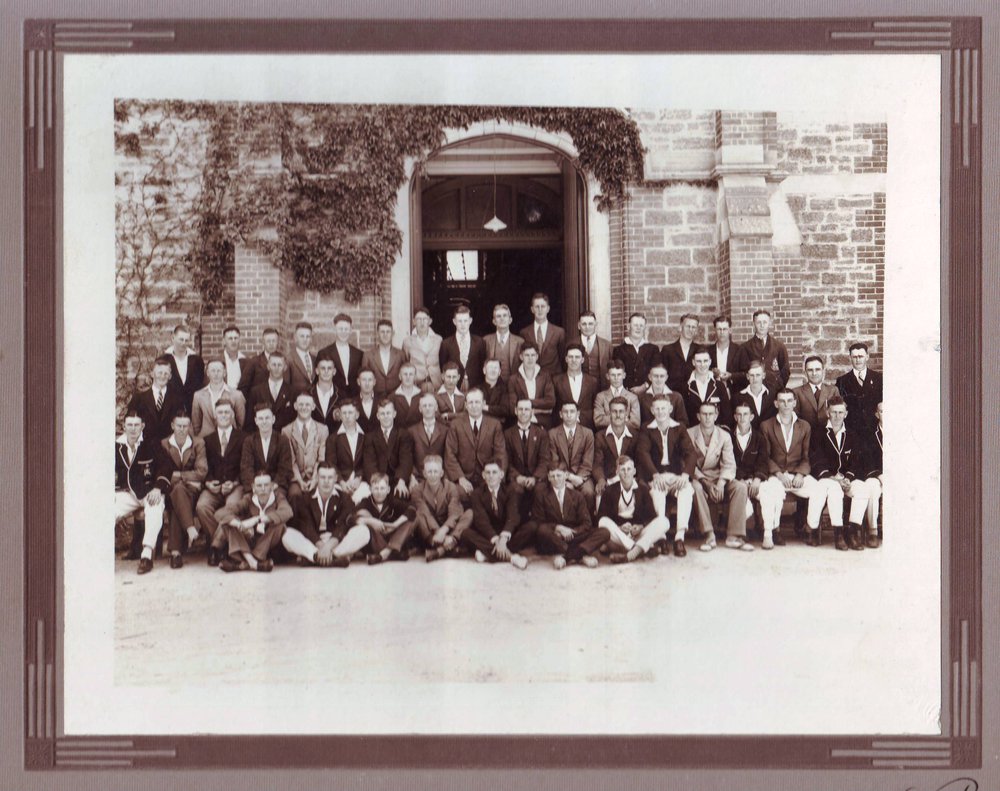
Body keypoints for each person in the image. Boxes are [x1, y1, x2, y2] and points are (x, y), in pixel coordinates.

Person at [759, 389, 823, 549]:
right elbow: (765, 457)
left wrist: (801, 474)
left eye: (789, 401)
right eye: (782, 401)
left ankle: (810, 528)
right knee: (770, 491)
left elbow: (807, 456)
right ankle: (773, 531)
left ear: (795, 403)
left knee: (819, 490)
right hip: (777, 474)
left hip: (797, 473)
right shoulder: (766, 426)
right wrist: (779, 475)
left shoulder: (804, 426)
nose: (786, 404)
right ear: (776, 403)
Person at [635, 393, 696, 556]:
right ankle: (660, 536)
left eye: (664, 408)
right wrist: (655, 475)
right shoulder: (647, 428)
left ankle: (679, 537)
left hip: (676, 475)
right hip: (656, 475)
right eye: (657, 409)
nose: (661, 412)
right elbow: (643, 453)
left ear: (670, 409)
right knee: (657, 492)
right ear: (652, 410)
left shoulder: (679, 428)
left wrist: (684, 476)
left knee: (686, 491)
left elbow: (690, 453)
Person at [808, 395, 871, 550]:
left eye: (840, 412)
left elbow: (856, 461)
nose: (837, 416)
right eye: (834, 412)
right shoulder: (818, 433)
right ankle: (838, 534)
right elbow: (816, 460)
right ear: (828, 413)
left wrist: (848, 478)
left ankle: (853, 531)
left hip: (846, 478)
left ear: (846, 414)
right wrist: (834, 478)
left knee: (863, 489)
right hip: (827, 478)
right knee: (835, 490)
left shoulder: (852, 434)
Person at [280, 462, 367, 567]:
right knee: (287, 535)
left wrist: (328, 547)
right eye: (322, 477)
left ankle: (316, 558)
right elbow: (307, 527)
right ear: (317, 478)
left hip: (335, 542)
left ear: (335, 478)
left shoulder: (345, 498)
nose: (326, 481)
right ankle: (331, 559)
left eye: (330, 477)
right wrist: (322, 547)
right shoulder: (305, 498)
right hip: (314, 542)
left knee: (364, 531)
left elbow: (342, 526)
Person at [153, 409, 207, 569]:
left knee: (179, 494)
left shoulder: (198, 443)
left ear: (190, 426)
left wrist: (178, 476)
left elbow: (202, 472)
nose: (182, 430)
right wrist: (185, 477)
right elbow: (161, 473)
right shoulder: (164, 444)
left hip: (193, 492)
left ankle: (176, 553)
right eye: (179, 426)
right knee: (177, 493)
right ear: (172, 426)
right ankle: (189, 531)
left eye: (185, 426)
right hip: (172, 492)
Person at [527, 466, 609, 570]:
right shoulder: (542, 495)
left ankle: (567, 557)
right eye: (553, 476)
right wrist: (558, 528)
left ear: (566, 476)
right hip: (555, 537)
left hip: (574, 535)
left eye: (559, 475)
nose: (556, 479)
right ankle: (580, 555)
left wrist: (572, 531)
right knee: (542, 530)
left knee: (604, 532)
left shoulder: (577, 495)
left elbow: (586, 523)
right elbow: (538, 521)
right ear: (548, 477)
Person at [195, 398, 245, 566]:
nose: (224, 415)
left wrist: (236, 483)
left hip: (235, 486)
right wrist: (208, 483)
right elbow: (203, 466)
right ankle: (222, 542)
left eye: (227, 412)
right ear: (215, 416)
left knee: (232, 506)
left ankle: (216, 547)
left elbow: (245, 466)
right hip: (213, 486)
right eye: (220, 413)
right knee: (202, 506)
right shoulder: (207, 440)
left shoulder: (243, 437)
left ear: (232, 415)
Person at [115, 409, 165, 575]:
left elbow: (166, 466)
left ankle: (146, 555)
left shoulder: (151, 443)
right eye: (130, 425)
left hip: (148, 491)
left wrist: (158, 488)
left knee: (155, 507)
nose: (133, 429)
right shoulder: (116, 446)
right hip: (126, 493)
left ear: (142, 426)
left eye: (137, 425)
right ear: (124, 426)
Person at [729, 402, 784, 551]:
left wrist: (757, 479)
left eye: (745, 414)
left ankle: (768, 534)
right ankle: (744, 532)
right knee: (743, 500)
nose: (742, 418)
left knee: (768, 494)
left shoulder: (759, 438)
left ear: (752, 417)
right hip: (738, 480)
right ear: (735, 417)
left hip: (756, 480)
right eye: (739, 414)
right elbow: (729, 462)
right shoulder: (729, 437)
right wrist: (741, 479)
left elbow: (763, 462)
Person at [214, 469, 292, 572]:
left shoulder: (278, 498)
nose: (263, 489)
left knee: (279, 524)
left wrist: (257, 519)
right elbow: (219, 513)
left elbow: (288, 511)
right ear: (253, 488)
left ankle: (241, 565)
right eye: (259, 486)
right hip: (249, 541)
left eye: (266, 485)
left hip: (267, 544)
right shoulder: (248, 499)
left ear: (272, 486)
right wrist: (239, 524)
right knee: (228, 523)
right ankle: (253, 563)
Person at [687, 402, 740, 552]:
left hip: (718, 477)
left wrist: (721, 483)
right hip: (698, 477)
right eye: (704, 414)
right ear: (698, 416)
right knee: (695, 488)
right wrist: (705, 483)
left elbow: (729, 464)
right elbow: (688, 463)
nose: (707, 417)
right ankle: (709, 534)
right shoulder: (689, 433)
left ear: (716, 416)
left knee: (740, 487)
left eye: (711, 414)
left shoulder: (724, 436)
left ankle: (733, 535)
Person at [598, 455, 669, 563]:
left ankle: (631, 553)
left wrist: (641, 526)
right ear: (617, 472)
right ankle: (639, 549)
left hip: (638, 534)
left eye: (629, 469)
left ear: (634, 471)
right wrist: (619, 527)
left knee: (664, 521)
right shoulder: (610, 491)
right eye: (622, 470)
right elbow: (601, 516)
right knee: (603, 522)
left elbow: (651, 517)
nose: (626, 473)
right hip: (620, 536)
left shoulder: (643, 490)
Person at [464, 461, 533, 569]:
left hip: (506, 533)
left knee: (530, 527)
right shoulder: (477, 494)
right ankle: (511, 557)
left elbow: (512, 517)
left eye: (494, 472)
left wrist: (503, 540)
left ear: (501, 475)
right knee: (466, 533)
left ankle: (487, 554)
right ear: (483, 475)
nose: (491, 476)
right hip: (489, 535)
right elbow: (482, 521)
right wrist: (497, 541)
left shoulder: (510, 491)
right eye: (488, 473)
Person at [443, 387, 507, 502]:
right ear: (466, 405)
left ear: (483, 404)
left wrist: (494, 478)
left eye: (477, 402)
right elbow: (450, 453)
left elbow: (500, 453)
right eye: (471, 402)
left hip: (488, 476)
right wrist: (460, 478)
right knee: (458, 494)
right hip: (464, 476)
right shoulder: (456, 425)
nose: (474, 406)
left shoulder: (494, 424)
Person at [410, 455, 475, 562]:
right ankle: (448, 546)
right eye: (429, 472)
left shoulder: (450, 487)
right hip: (430, 531)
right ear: (424, 474)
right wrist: (437, 532)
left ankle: (441, 549)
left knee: (469, 513)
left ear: (441, 473)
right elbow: (425, 513)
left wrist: (444, 531)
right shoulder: (417, 490)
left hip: (448, 528)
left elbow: (454, 513)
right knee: (418, 515)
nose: (433, 475)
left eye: (436, 471)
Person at [503, 397, 550, 519]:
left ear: (532, 412)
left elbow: (544, 460)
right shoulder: (507, 434)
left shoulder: (541, 433)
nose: (523, 412)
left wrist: (535, 478)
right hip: (517, 478)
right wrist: (517, 477)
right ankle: (515, 526)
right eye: (521, 409)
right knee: (515, 490)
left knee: (540, 490)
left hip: (536, 478)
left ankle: (539, 525)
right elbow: (506, 460)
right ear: (515, 411)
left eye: (527, 409)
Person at [355, 472, 417, 564]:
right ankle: (394, 553)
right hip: (376, 541)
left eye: (382, 488)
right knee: (361, 516)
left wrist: (395, 524)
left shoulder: (392, 500)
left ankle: (386, 553)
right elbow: (350, 518)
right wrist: (371, 521)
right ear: (370, 489)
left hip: (393, 538)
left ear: (388, 490)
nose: (379, 492)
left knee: (413, 519)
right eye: (376, 488)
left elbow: (412, 508)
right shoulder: (366, 502)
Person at [547, 401, 596, 510]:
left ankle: (586, 522)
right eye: (565, 412)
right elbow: (555, 461)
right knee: (558, 491)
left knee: (588, 492)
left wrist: (578, 478)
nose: (569, 415)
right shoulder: (553, 434)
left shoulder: (588, 433)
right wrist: (567, 478)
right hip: (560, 475)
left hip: (582, 476)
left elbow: (587, 462)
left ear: (578, 414)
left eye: (572, 412)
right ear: (560, 414)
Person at [362, 398, 414, 498]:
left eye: (388, 413)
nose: (386, 417)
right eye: (382, 414)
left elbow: (406, 460)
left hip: (397, 480)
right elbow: (369, 463)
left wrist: (401, 481)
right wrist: (377, 483)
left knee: (401, 497)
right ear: (377, 416)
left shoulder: (403, 435)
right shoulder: (370, 437)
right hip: (378, 481)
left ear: (394, 414)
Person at [281, 391, 329, 501]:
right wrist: (299, 480)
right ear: (295, 406)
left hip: (316, 476)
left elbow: (321, 459)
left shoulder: (322, 429)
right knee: (294, 494)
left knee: (320, 495)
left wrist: (315, 479)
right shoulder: (286, 431)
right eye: (301, 404)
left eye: (307, 405)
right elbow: (291, 461)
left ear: (313, 407)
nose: (304, 408)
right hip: (297, 477)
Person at [240, 403, 293, 496]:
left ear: (273, 419)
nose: (264, 421)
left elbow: (285, 467)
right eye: (260, 419)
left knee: (281, 503)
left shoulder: (282, 440)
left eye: (267, 418)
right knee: (246, 504)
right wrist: (256, 487)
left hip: (276, 486)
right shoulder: (249, 441)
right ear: (256, 421)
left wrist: (273, 485)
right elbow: (246, 467)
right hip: (255, 487)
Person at [128, 356, 184, 443]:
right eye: (159, 373)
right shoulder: (139, 398)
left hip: (169, 447)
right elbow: (130, 421)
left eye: (166, 374)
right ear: (152, 374)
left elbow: (180, 423)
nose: (162, 376)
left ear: (170, 376)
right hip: (145, 446)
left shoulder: (177, 399)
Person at [323, 398, 370, 504]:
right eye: (344, 413)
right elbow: (331, 463)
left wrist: (359, 478)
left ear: (357, 415)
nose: (347, 416)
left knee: (364, 499)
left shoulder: (365, 437)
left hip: (360, 482)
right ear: (340, 415)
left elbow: (367, 462)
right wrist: (341, 482)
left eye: (350, 413)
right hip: (340, 483)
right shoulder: (333, 438)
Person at [594, 396, 638, 502]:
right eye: (614, 411)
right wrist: (601, 479)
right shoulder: (600, 436)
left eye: (621, 411)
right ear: (609, 414)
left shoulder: (635, 435)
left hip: (630, 479)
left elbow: (639, 462)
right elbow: (597, 463)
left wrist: (634, 479)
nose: (618, 415)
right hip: (608, 480)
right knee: (600, 494)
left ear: (626, 414)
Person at [733, 309, 790, 391]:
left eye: (765, 322)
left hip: (773, 392)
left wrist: (777, 387)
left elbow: (785, 371)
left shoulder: (779, 346)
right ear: (754, 324)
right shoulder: (745, 347)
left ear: (769, 323)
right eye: (759, 322)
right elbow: (740, 372)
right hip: (752, 392)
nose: (762, 325)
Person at [836, 342, 883, 436]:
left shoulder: (879, 378)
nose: (858, 360)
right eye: (854, 357)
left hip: (874, 430)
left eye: (860, 356)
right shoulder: (842, 381)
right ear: (850, 358)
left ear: (867, 357)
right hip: (852, 431)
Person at [191, 358, 246, 437]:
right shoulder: (198, 395)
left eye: (219, 371)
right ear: (207, 373)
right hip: (205, 439)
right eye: (213, 371)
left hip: (229, 439)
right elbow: (196, 424)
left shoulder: (237, 395)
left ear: (224, 373)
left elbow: (240, 422)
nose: (216, 374)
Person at [551, 343, 600, 430]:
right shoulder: (556, 381)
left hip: (587, 427)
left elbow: (595, 406)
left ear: (582, 360)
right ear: (566, 359)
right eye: (570, 357)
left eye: (577, 357)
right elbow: (555, 408)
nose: (574, 360)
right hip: (562, 428)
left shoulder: (592, 381)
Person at [506, 341, 555, 424]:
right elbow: (512, 407)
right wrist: (541, 410)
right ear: (521, 357)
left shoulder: (545, 376)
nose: (530, 358)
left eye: (533, 355)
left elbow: (551, 401)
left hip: (542, 422)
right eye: (527, 355)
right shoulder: (513, 379)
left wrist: (527, 403)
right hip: (521, 422)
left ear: (537, 357)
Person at [439, 305, 487, 391]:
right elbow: (443, 367)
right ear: (454, 322)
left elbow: (482, 366)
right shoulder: (446, 344)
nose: (463, 324)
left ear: (470, 321)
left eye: (465, 321)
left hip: (475, 387)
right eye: (460, 321)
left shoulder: (480, 342)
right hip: (454, 387)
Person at [317, 313, 364, 398]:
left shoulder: (359, 354)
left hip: (354, 396)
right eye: (340, 329)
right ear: (335, 329)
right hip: (333, 397)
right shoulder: (324, 353)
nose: (343, 332)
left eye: (346, 329)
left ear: (350, 330)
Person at [247, 351, 296, 433]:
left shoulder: (293, 392)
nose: (276, 368)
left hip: (284, 439)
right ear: (268, 366)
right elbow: (249, 423)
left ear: (285, 367)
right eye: (273, 365)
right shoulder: (256, 391)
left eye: (279, 365)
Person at [519, 292, 566, 377]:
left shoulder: (559, 332)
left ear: (548, 309)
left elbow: (563, 358)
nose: (540, 310)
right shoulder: (524, 332)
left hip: (553, 378)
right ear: (532, 309)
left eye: (543, 306)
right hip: (532, 378)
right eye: (537, 307)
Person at [684, 348, 732, 429]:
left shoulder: (719, 386)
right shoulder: (686, 387)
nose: (702, 365)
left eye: (705, 361)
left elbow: (726, 415)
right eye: (698, 361)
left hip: (716, 434)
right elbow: (685, 416)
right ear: (693, 362)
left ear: (710, 362)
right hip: (693, 434)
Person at [857, 401, 884, 548]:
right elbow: (867, 461)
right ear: (876, 414)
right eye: (882, 411)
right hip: (877, 476)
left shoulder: (903, 434)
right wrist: (879, 475)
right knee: (871, 486)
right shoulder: (869, 435)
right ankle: (873, 530)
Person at [612, 312, 661, 391]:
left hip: (647, 393)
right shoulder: (619, 350)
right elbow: (617, 373)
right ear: (628, 326)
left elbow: (657, 372)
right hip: (627, 393)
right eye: (635, 325)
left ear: (645, 327)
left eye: (641, 325)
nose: (638, 328)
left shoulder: (653, 349)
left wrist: (644, 386)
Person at [408, 392, 449, 485]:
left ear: (436, 408)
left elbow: (448, 457)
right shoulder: (411, 431)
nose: (427, 408)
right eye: (424, 406)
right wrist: (412, 477)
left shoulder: (445, 430)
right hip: (418, 478)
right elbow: (408, 457)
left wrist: (446, 479)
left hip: (440, 478)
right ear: (420, 409)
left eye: (430, 405)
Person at [164, 324, 205, 412]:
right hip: (170, 408)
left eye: (186, 340)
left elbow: (201, 385)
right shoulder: (164, 359)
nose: (183, 343)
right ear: (173, 338)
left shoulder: (197, 361)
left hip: (193, 408)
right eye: (181, 339)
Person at [401, 306, 442, 392]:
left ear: (430, 321)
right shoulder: (407, 342)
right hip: (416, 384)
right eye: (419, 319)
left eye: (425, 319)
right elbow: (405, 362)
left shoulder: (438, 340)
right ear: (414, 322)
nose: (422, 323)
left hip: (435, 384)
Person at [792, 355, 839, 431]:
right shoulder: (797, 392)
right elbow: (795, 419)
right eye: (810, 370)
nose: (814, 373)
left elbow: (838, 415)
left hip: (828, 435)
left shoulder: (832, 390)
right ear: (805, 372)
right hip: (806, 436)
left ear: (823, 371)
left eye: (817, 369)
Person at [238, 327, 286, 401]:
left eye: (274, 341)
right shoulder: (253, 362)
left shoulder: (283, 361)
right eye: (268, 341)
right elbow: (243, 388)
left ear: (278, 342)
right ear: (263, 342)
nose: (271, 344)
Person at [362, 319, 405, 398]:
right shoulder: (368, 355)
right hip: (376, 396)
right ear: (377, 334)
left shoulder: (400, 354)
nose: (385, 335)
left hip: (396, 396)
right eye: (382, 332)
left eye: (388, 332)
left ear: (392, 334)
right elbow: (364, 377)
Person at [593, 359, 641, 431]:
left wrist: (608, 418)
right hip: (606, 436)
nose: (616, 378)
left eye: (619, 375)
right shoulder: (600, 397)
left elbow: (635, 423)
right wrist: (625, 419)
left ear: (624, 375)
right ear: (607, 376)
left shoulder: (633, 397)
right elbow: (598, 421)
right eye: (613, 375)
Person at [661, 313, 703, 394]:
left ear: (696, 330)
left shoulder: (700, 349)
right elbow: (662, 374)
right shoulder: (668, 350)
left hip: (694, 395)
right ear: (680, 327)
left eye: (693, 327)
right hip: (673, 395)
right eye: (688, 326)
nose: (690, 330)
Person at [482, 303, 524, 379]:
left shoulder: (520, 342)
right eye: (498, 316)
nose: (502, 318)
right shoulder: (485, 341)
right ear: (494, 321)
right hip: (492, 386)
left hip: (513, 386)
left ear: (510, 320)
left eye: (505, 315)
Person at [573, 310, 613, 388]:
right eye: (584, 324)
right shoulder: (571, 343)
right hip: (579, 389)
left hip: (601, 388)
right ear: (579, 325)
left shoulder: (607, 345)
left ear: (596, 324)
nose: (587, 327)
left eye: (590, 324)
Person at [734, 359, 776, 429]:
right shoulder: (738, 397)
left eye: (758, 375)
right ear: (747, 376)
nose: (755, 378)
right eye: (752, 375)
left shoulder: (772, 395)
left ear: (763, 375)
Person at [708, 315, 743, 393]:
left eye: (725, 329)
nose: (722, 332)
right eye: (719, 329)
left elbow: (745, 373)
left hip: (734, 392)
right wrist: (712, 372)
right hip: (714, 392)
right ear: (715, 330)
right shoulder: (709, 351)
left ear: (730, 330)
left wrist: (731, 376)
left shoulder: (739, 350)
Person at [308, 357, 340, 435]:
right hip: (313, 441)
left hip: (336, 441)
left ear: (334, 371)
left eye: (329, 368)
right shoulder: (307, 394)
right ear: (317, 371)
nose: (326, 371)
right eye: (323, 368)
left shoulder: (342, 395)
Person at [388, 361, 423, 430]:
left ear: (415, 377)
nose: (408, 377)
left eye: (411, 374)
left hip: (418, 435)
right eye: (405, 374)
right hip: (400, 435)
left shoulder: (422, 395)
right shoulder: (392, 397)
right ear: (400, 377)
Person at [287, 320, 317, 393]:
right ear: (295, 338)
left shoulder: (315, 359)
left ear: (311, 339)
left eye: (308, 336)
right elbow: (286, 386)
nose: (305, 339)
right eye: (302, 336)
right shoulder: (289, 359)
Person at [480, 358, 510, 426]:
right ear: (484, 370)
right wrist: (495, 410)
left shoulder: (505, 389)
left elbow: (505, 410)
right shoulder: (477, 389)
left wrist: (486, 407)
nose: (493, 370)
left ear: (499, 372)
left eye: (495, 368)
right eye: (490, 367)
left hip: (500, 426)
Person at [353, 368, 380, 434]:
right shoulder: (352, 403)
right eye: (364, 380)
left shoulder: (381, 401)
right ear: (358, 382)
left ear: (374, 382)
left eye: (370, 380)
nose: (367, 383)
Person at [221, 325, 247, 390]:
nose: (233, 341)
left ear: (239, 340)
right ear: (224, 341)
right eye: (230, 338)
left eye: (236, 338)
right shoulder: (218, 360)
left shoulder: (246, 361)